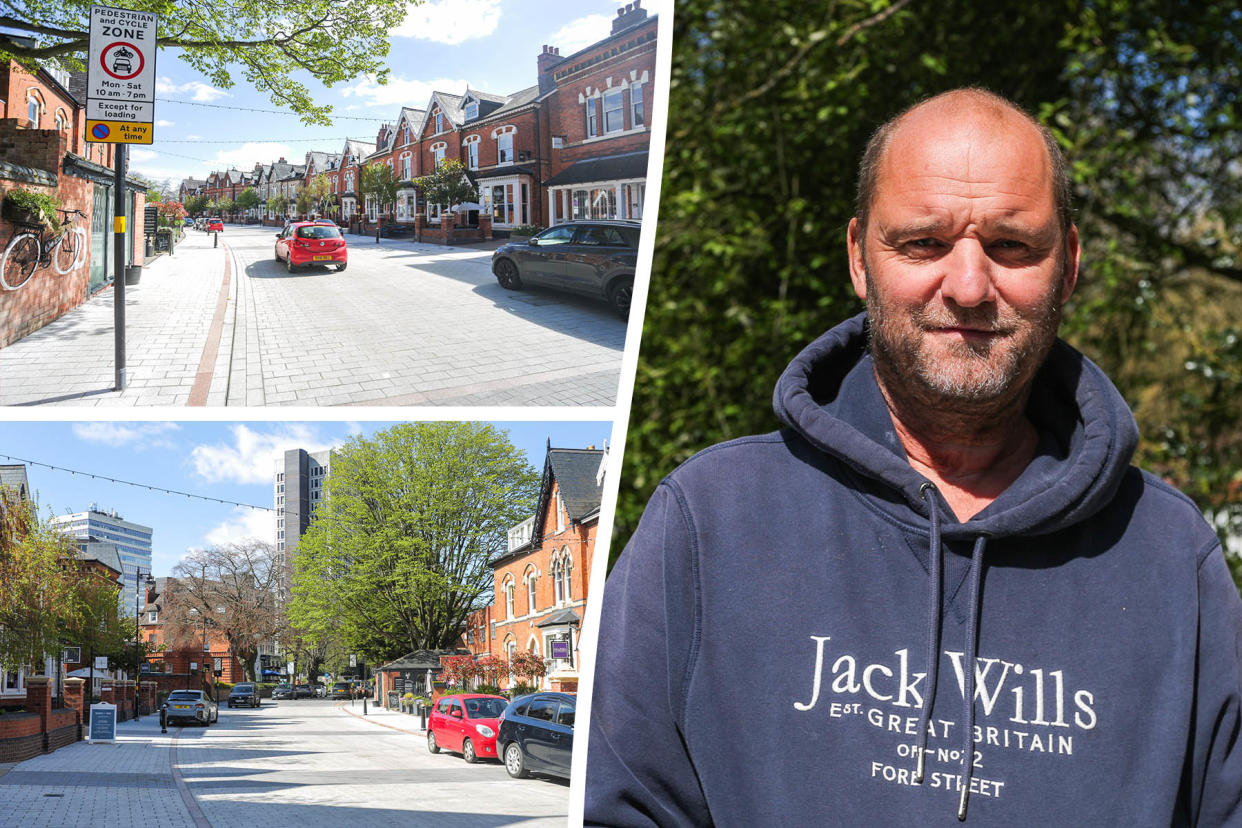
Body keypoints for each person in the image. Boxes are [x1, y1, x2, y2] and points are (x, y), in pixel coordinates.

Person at [584, 88, 1242, 825]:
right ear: (860, 259)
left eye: (1012, 246)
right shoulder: (710, 523)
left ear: (1070, 266)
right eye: (924, 243)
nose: (967, 287)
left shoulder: (1168, 557)